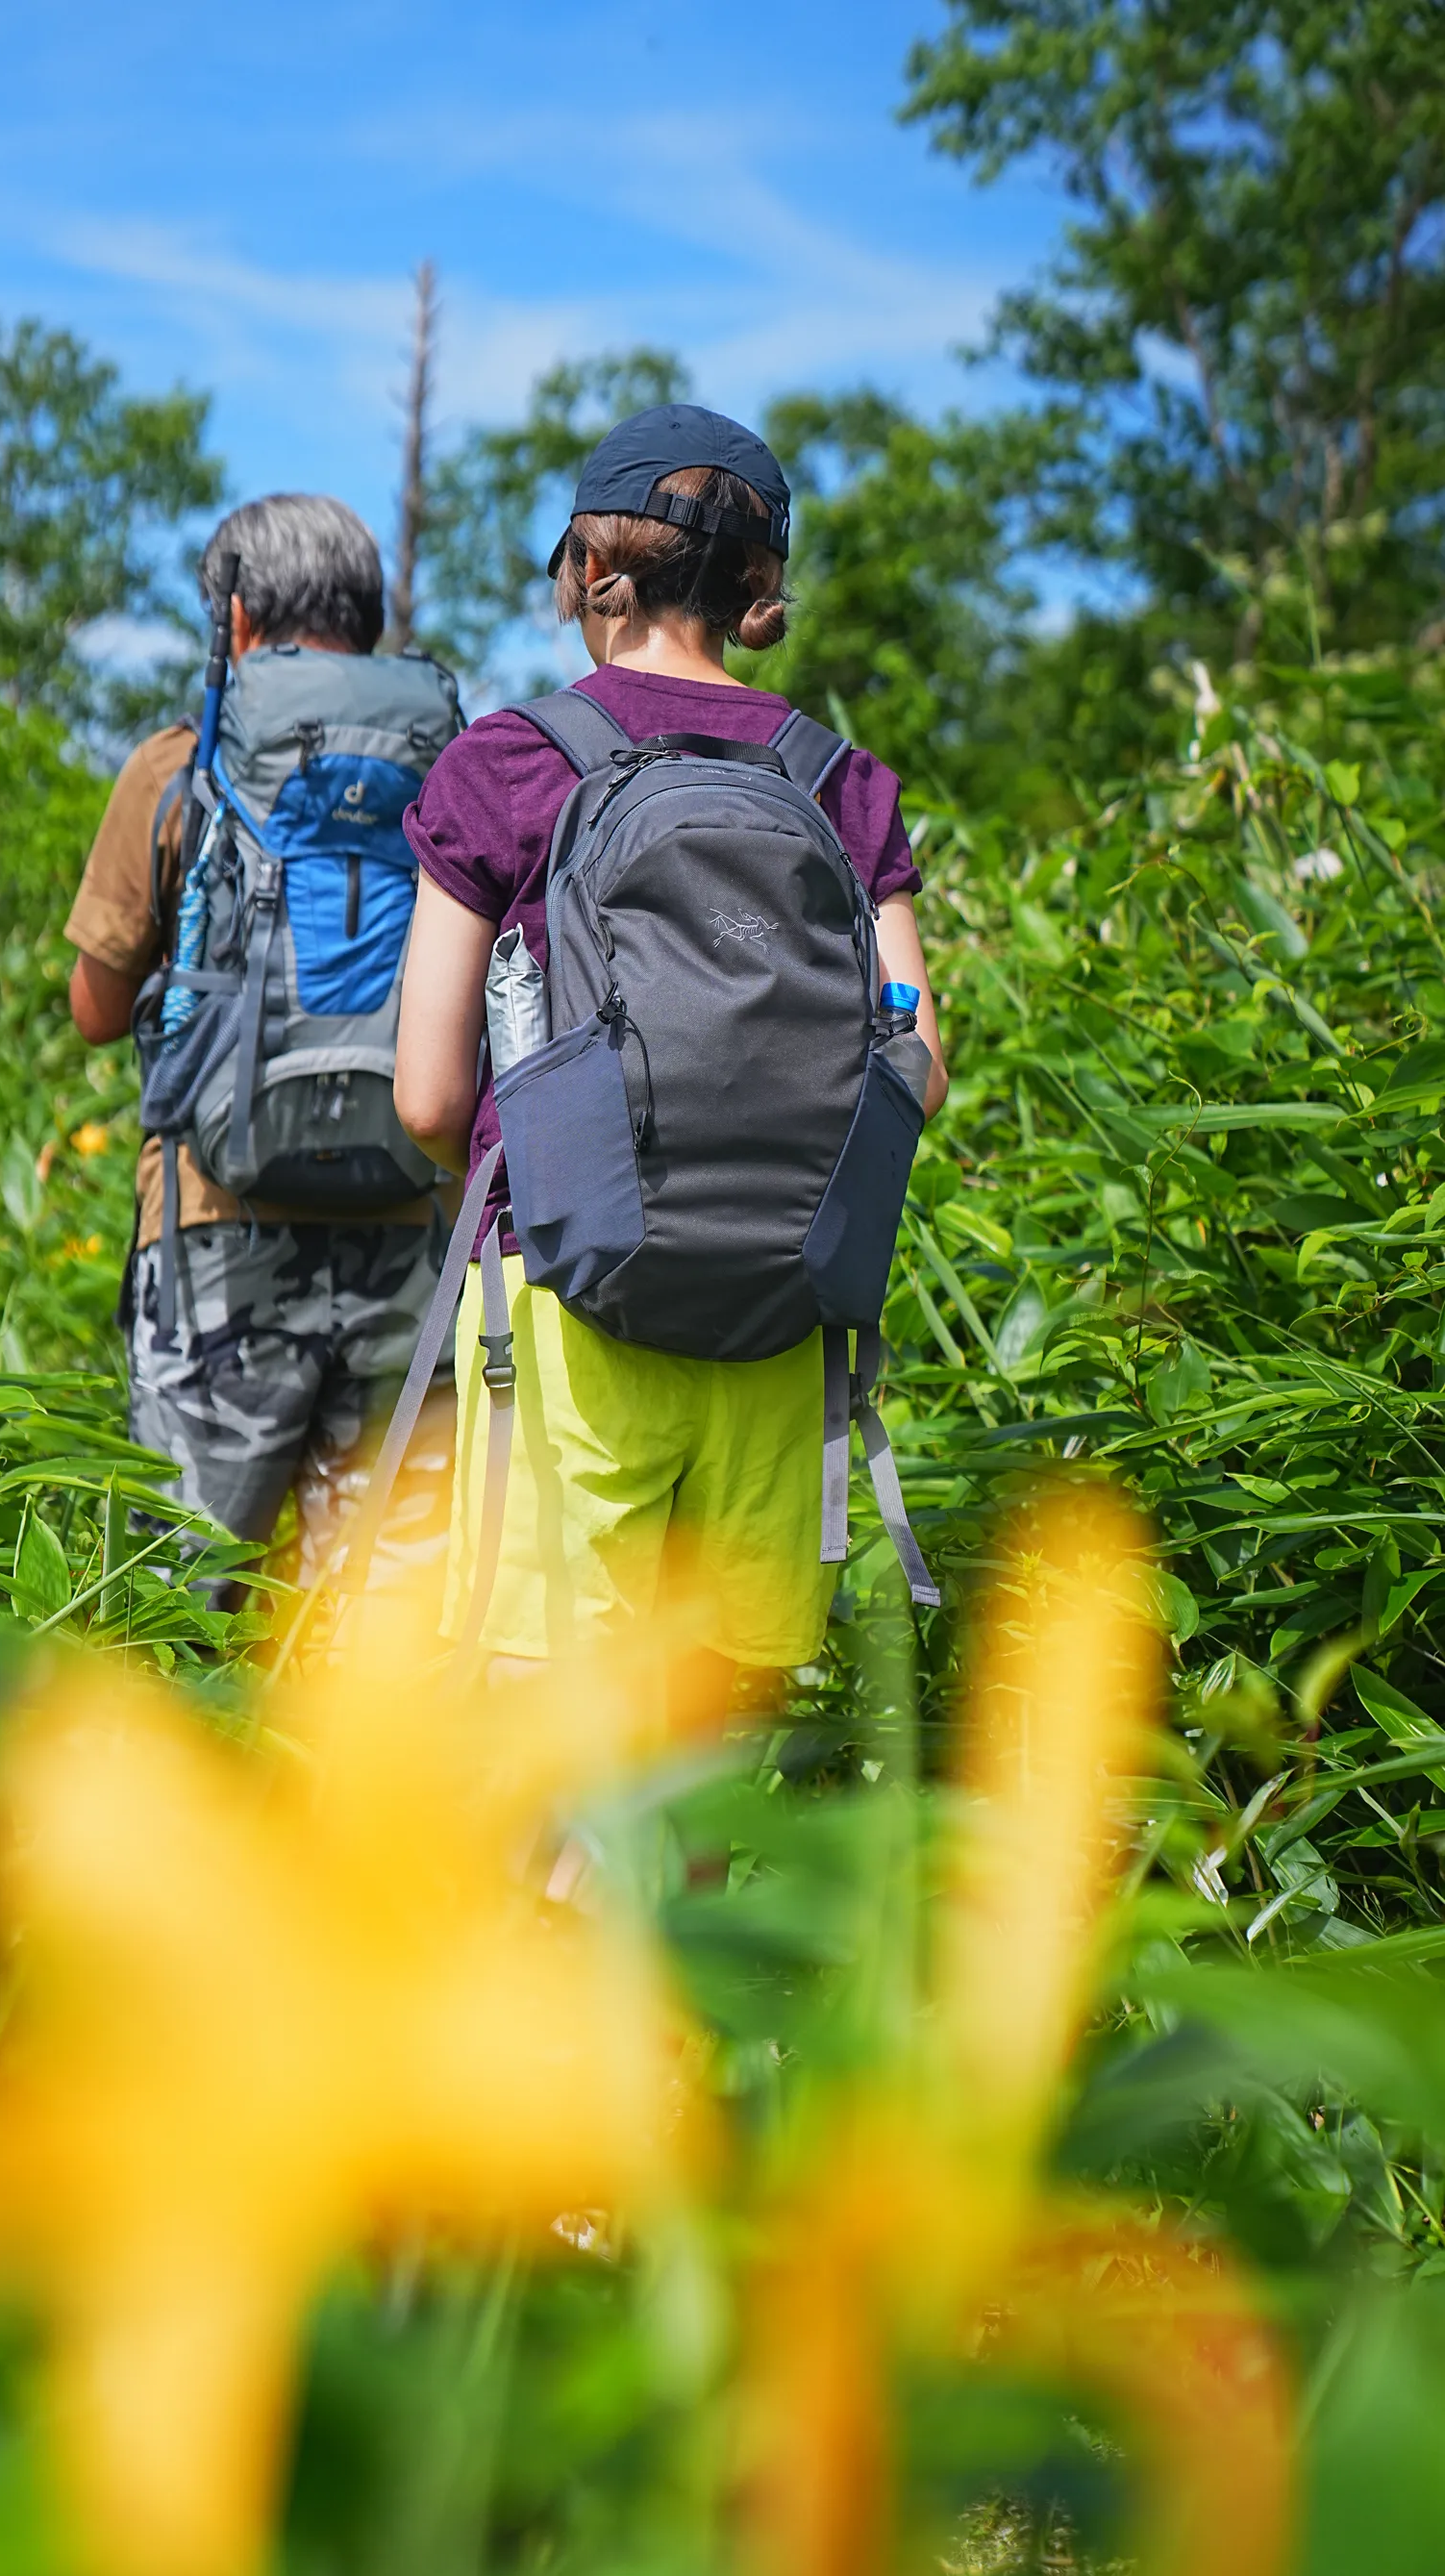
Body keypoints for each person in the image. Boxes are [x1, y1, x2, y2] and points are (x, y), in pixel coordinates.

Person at [394, 405, 948, 1714]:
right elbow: (916, 1058)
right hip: (785, 1310)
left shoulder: (512, 765)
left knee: (544, 1739)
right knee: (709, 1744)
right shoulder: (840, 782)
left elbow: (426, 1092)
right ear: (757, 589)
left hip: (566, 1292)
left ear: (597, 574)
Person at [65, 492, 461, 1582]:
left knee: (180, 1603)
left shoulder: (179, 768)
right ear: (368, 620)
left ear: (235, 622)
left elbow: (98, 1011)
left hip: (213, 1239)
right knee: (386, 1635)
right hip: (412, 1231)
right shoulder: (458, 771)